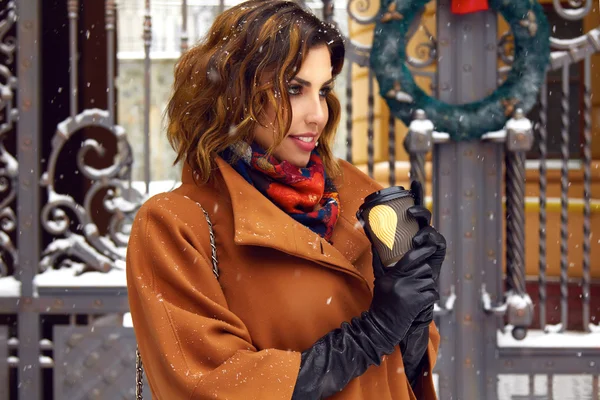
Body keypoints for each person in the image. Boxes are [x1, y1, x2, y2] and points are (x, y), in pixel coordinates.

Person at [126, 1, 446, 399]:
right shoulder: (174, 225)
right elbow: (215, 386)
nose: (317, 115)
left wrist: (414, 312)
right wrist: (372, 332)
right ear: (234, 93)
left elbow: (405, 373)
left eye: (324, 90)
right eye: (294, 89)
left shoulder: (353, 194)